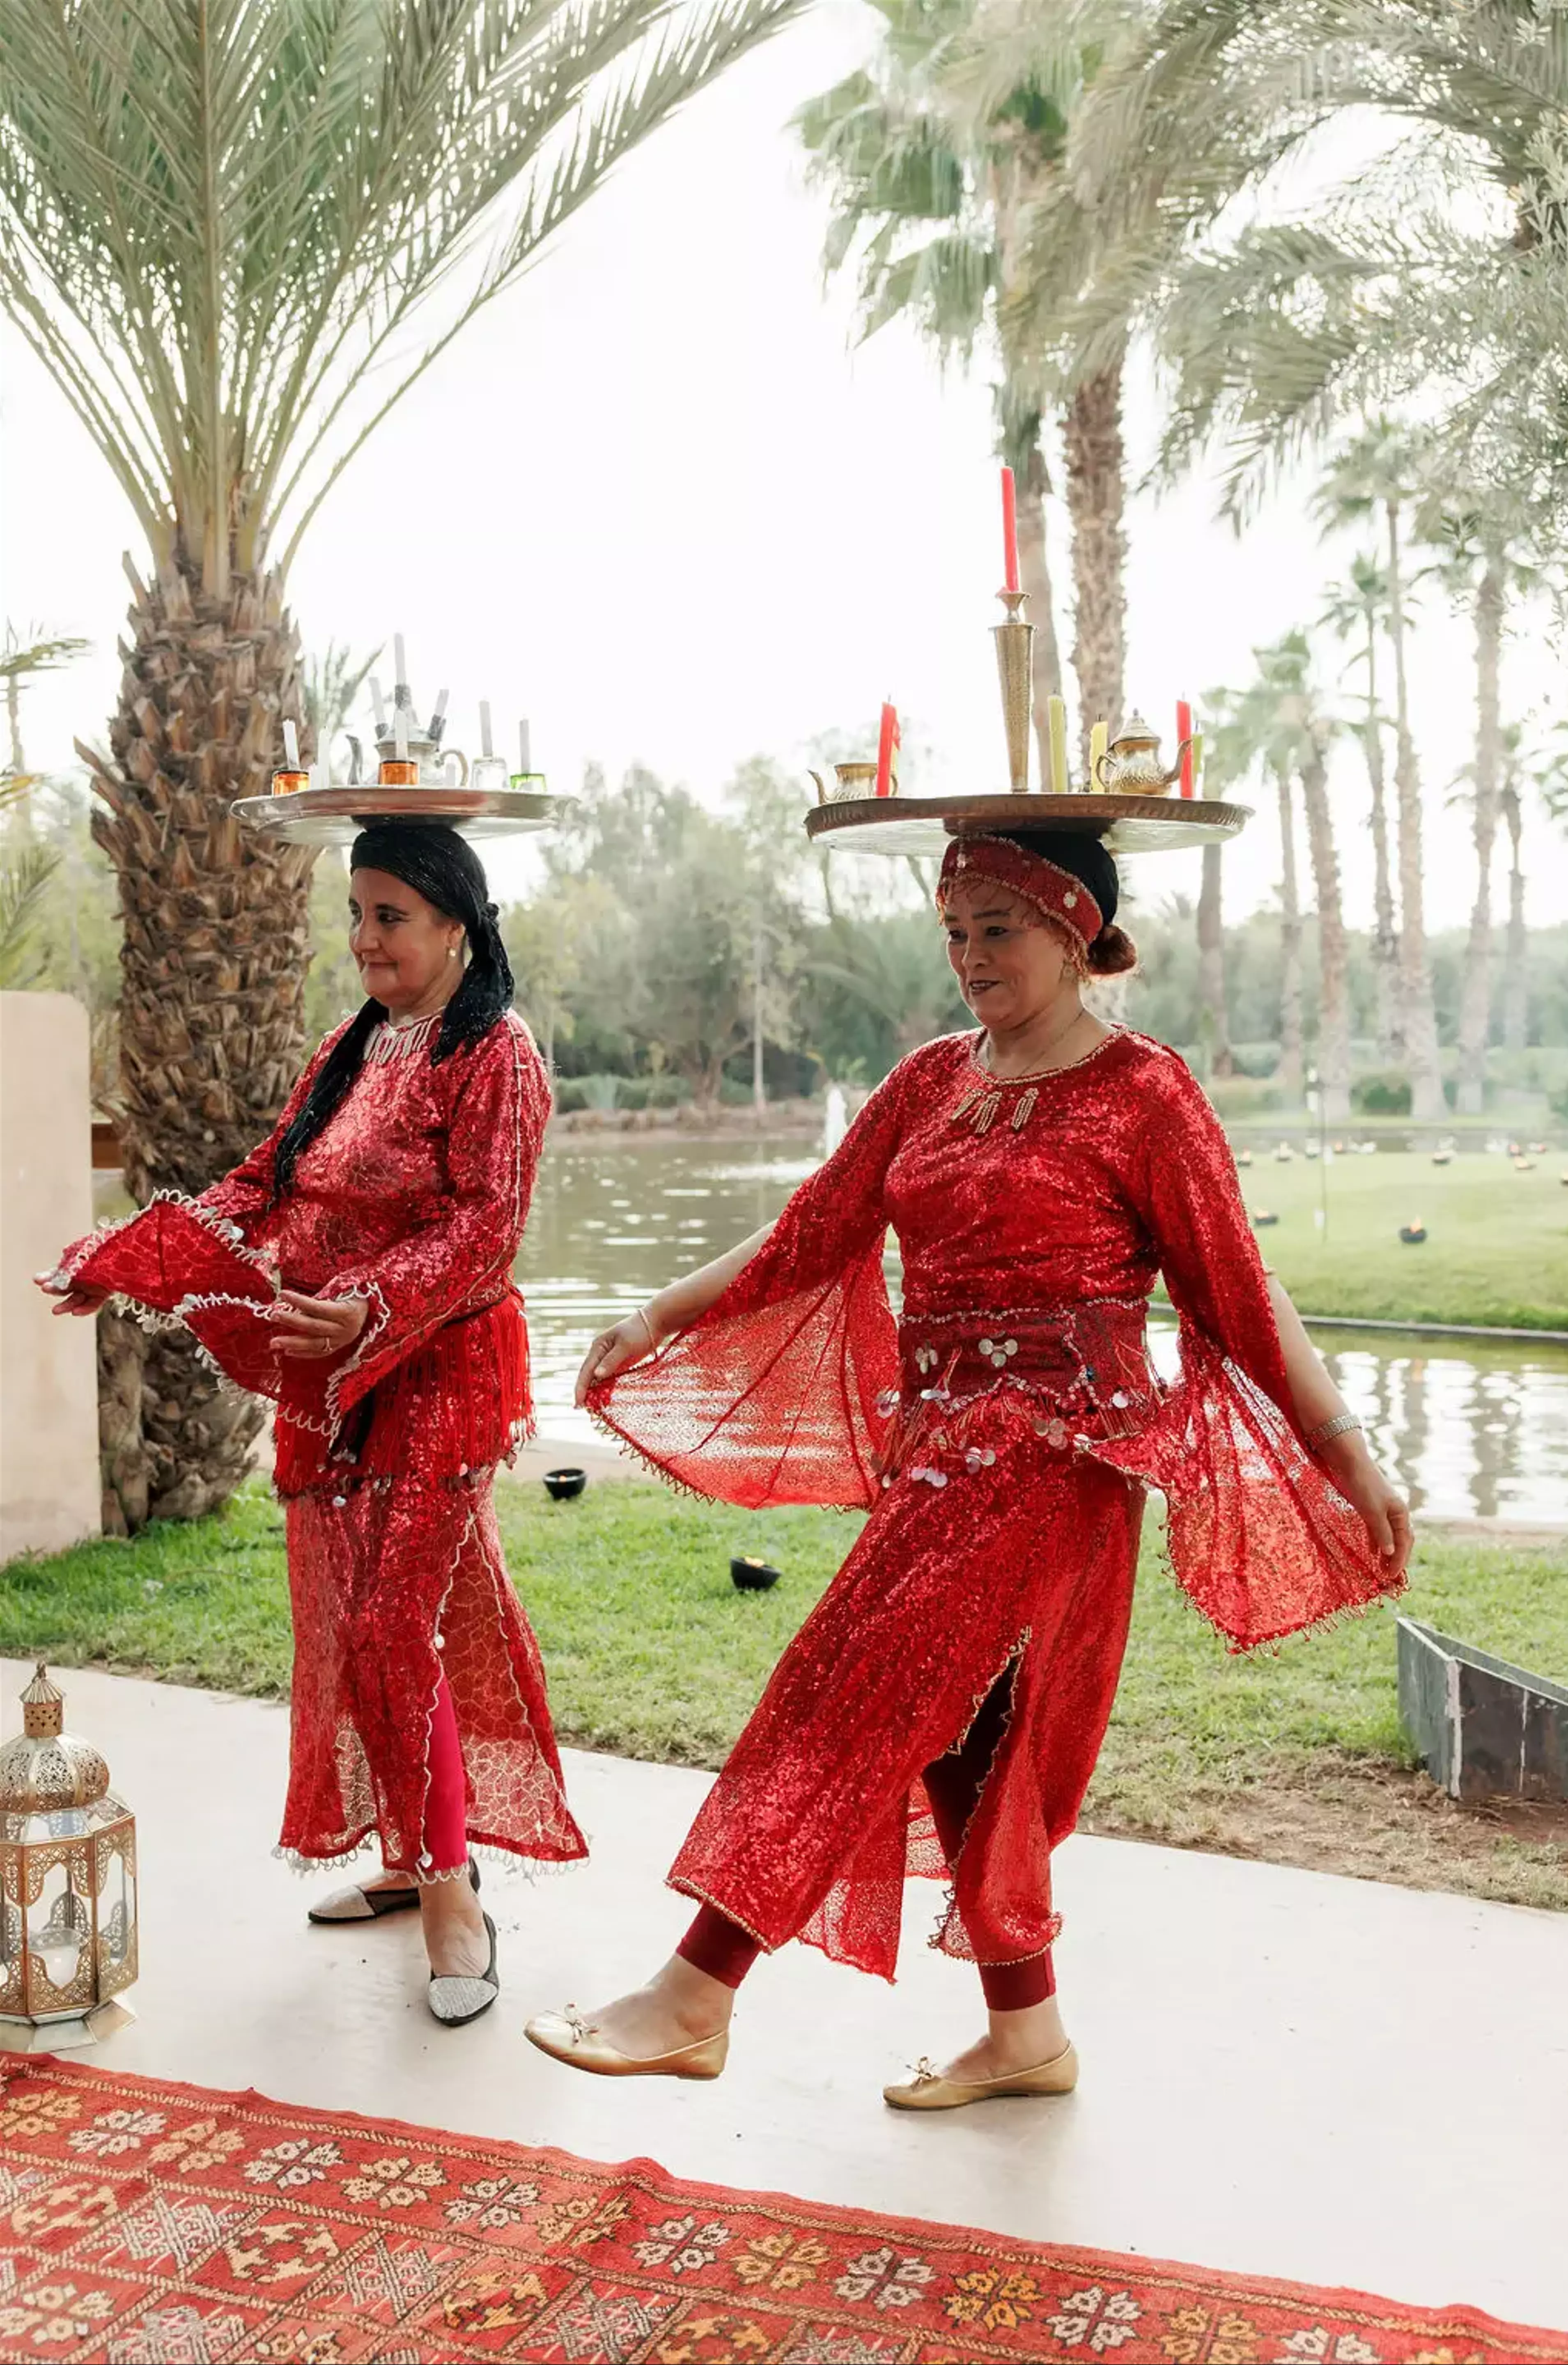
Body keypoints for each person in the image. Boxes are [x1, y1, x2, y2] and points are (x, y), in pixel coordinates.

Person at [525, 826, 1410, 2103]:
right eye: (954, 930)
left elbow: (1239, 1293)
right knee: (966, 1743)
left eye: (998, 928)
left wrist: (1347, 1455)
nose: (970, 956)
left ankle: (695, 1990)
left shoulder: (1145, 1093)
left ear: (1073, 931)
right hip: (940, 1456)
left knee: (852, 1677)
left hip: (1059, 1461)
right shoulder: (931, 1079)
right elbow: (813, 1231)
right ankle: (1028, 2037)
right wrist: (665, 1311)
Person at [43, 822, 584, 2026]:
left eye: (390, 915)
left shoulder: (493, 1051)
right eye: (357, 914)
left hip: (437, 1367)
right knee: (372, 1623)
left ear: (457, 922)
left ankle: (453, 1897)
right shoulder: (355, 1044)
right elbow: (263, 1184)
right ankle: (410, 1847)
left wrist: (370, 1306)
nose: (364, 939)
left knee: (397, 1628)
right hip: (332, 1378)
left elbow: (487, 1228)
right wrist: (123, 1259)